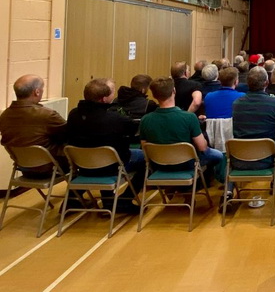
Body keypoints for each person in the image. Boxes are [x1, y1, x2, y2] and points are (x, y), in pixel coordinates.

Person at [66, 78, 143, 212]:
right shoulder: (114, 119)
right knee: (145, 159)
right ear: (104, 99)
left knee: (99, 154)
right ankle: (124, 200)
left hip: (82, 165)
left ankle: (72, 198)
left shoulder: (73, 115)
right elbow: (133, 131)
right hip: (110, 165)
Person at [222, 67, 275, 207]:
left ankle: (228, 193)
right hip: (268, 158)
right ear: (266, 83)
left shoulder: (236, 104)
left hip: (239, 158)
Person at [139, 77, 223, 183]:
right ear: (174, 91)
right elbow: (202, 147)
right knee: (218, 155)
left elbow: (144, 148)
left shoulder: (145, 120)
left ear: (154, 95)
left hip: (158, 164)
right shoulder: (189, 117)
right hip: (187, 163)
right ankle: (201, 183)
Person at [0, 75, 67, 175]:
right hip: (51, 168)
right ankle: (77, 188)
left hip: (23, 167)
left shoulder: (4, 116)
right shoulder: (47, 115)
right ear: (37, 92)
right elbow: (70, 134)